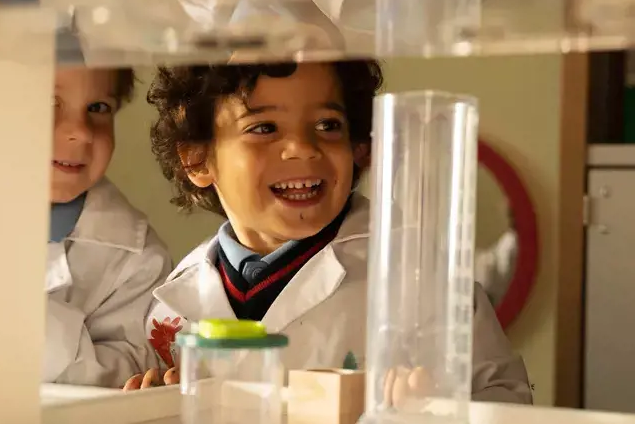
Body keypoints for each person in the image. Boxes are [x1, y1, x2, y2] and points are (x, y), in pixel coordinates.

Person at [124, 60, 532, 405]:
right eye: (264, 127)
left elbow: (508, 397)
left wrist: (436, 407)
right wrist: (153, 404)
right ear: (196, 159)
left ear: (358, 148)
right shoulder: (173, 304)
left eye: (328, 124)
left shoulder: (416, 273)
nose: (303, 147)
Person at [45, 66, 171, 388]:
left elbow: (127, 372)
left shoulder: (138, 260)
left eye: (98, 108)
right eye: (48, 103)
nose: (82, 132)